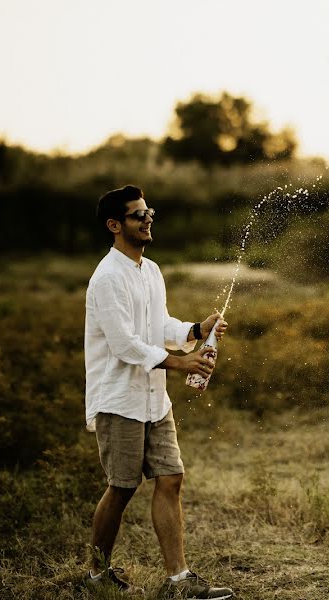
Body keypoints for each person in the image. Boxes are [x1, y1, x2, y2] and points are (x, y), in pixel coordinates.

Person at [83, 185, 233, 599]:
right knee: (122, 487)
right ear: (115, 226)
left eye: (149, 212)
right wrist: (182, 362)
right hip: (118, 399)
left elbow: (159, 324)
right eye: (137, 215)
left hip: (154, 400)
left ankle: (179, 581)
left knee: (171, 478)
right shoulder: (106, 278)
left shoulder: (151, 270)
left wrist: (195, 331)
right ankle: (96, 574)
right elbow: (125, 344)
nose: (148, 219)